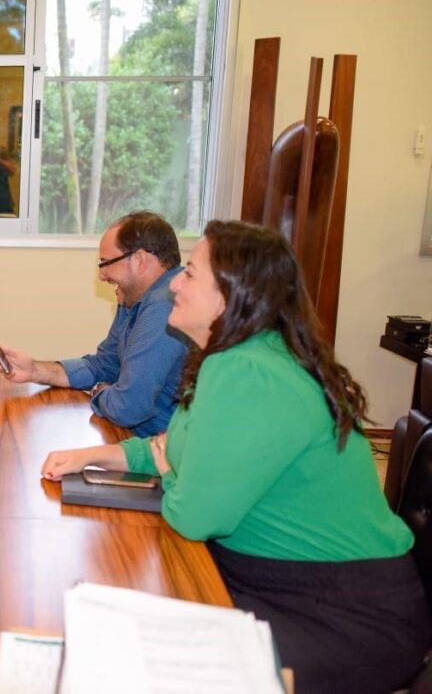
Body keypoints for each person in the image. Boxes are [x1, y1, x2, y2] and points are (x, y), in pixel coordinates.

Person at [41, 220, 430, 692]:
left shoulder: (246, 371)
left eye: (190, 273)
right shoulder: (236, 357)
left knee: (141, 664)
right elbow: (176, 446)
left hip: (341, 613)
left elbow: (192, 516)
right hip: (280, 583)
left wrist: (170, 471)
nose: (175, 283)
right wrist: (97, 456)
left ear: (230, 294)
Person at [0, 211, 188, 436]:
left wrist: (99, 391)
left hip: (162, 455)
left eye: (105, 263)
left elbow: (128, 407)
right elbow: (104, 366)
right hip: (134, 438)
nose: (101, 275)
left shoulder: (164, 305)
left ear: (139, 260)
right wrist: (36, 370)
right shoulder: (134, 298)